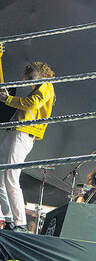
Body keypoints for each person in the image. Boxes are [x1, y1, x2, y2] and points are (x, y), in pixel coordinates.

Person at [0, 61, 55, 232]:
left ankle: (20, 222)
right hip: (15, 131)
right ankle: (8, 218)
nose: (29, 80)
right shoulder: (41, 87)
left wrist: (7, 99)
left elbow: (31, 104)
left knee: (10, 178)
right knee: (2, 177)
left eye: (30, 76)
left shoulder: (46, 86)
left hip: (23, 133)